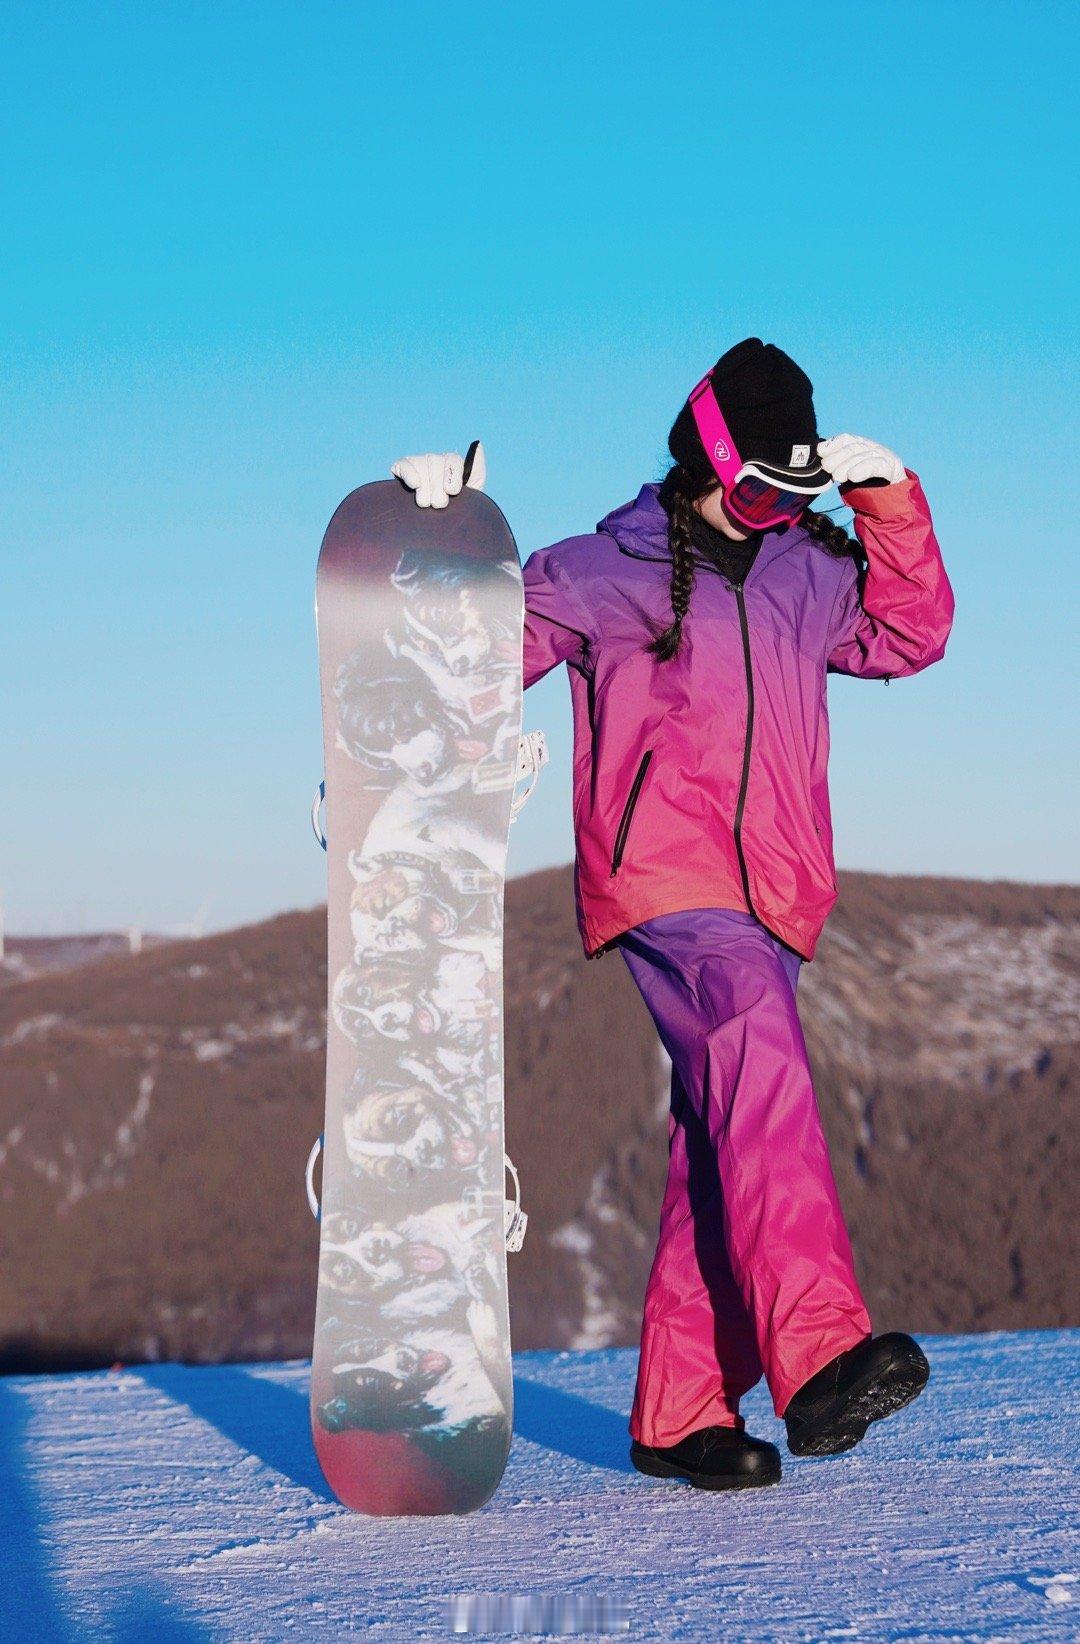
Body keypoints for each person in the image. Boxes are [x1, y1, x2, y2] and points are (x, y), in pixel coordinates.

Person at [391, 337, 954, 1492]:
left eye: (792, 498)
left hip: (779, 892)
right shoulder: (606, 570)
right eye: (754, 491)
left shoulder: (808, 574)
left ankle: (680, 1408)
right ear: (705, 457)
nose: (768, 517)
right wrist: (437, 545)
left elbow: (912, 634)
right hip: (669, 884)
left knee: (719, 1141)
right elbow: (471, 657)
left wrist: (888, 504)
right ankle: (818, 1353)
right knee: (754, 1056)